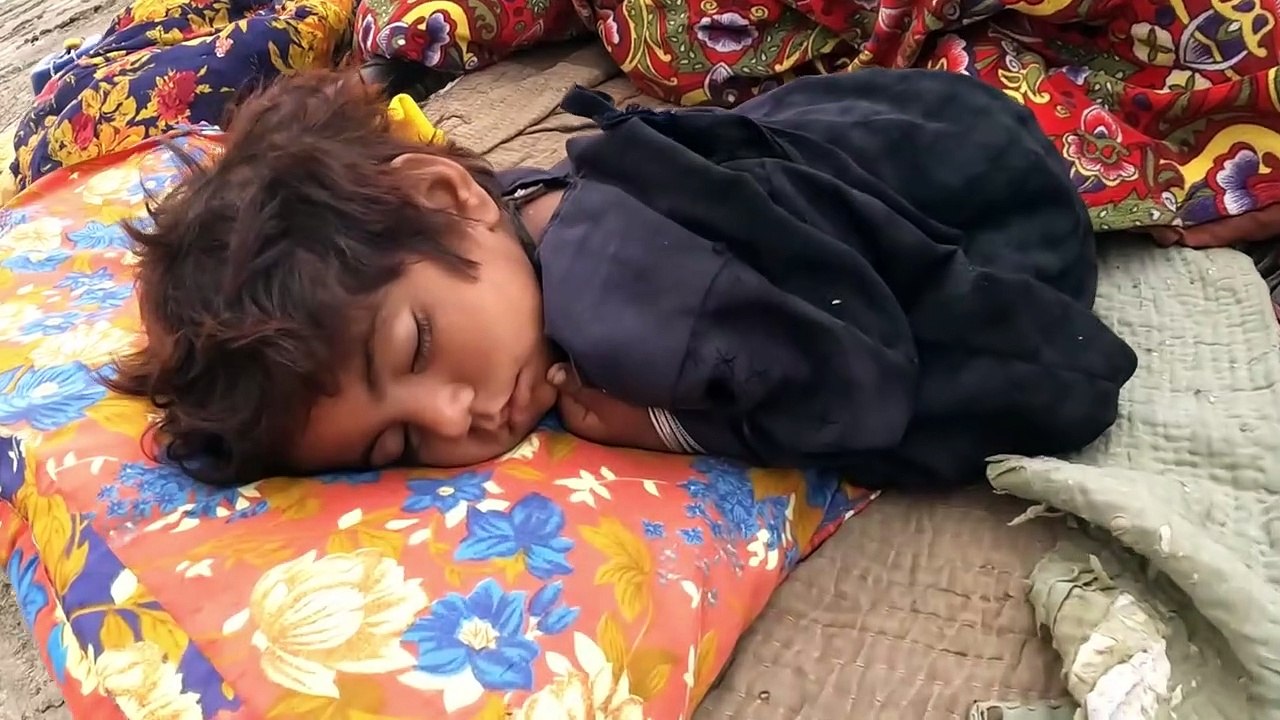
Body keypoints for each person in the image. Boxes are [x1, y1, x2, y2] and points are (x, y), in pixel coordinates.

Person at [110, 68, 1138, 489]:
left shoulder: (612, 298)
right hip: (943, 109)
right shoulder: (511, 215)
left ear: (447, 196)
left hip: (999, 212)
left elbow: (862, 391)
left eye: (415, 350)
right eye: (399, 445)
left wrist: (668, 426)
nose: (459, 415)